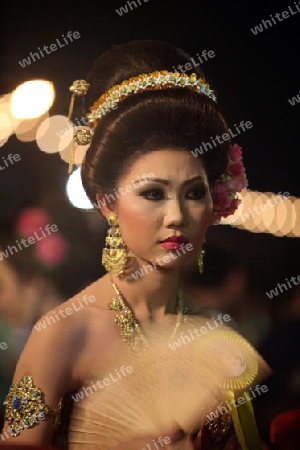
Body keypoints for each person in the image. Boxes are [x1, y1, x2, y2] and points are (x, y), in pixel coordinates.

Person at [1, 40, 268, 449]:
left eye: (194, 193)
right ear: (108, 203)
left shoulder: (213, 330)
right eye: (153, 194)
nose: (178, 215)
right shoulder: (64, 332)